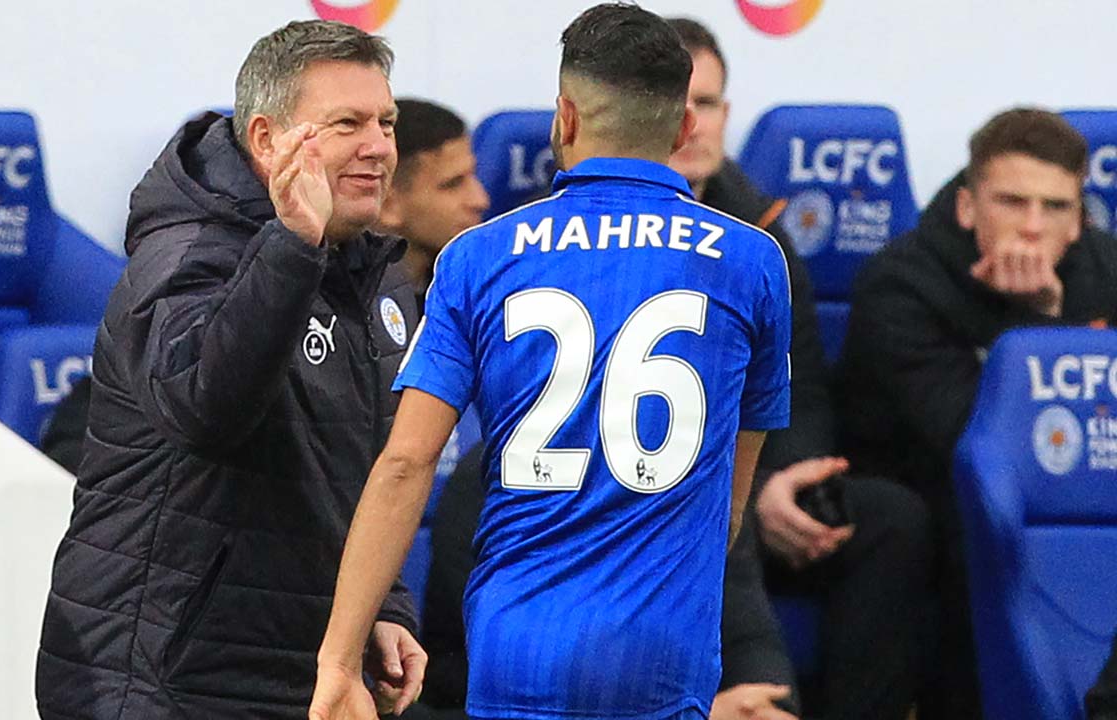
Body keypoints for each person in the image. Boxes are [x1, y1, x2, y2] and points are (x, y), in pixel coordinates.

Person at [310, 5, 793, 720]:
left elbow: (406, 464)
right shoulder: (754, 261)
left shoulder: (477, 257)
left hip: (518, 643)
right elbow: (727, 506)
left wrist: (339, 659)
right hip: (662, 652)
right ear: (683, 127)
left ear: (563, 118)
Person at [35, 20, 426, 720]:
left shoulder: (376, 274)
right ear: (267, 141)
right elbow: (204, 410)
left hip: (296, 671)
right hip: (157, 679)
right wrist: (294, 246)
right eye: (347, 124)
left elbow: (356, 470)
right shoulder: (185, 254)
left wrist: (382, 606)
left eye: (386, 123)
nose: (378, 146)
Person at [664, 17, 932, 720]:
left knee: (891, 519)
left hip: (754, 483)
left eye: (709, 103)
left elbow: (801, 386)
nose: (695, 124)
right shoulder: (587, 229)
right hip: (653, 491)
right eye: (676, 103)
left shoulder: (764, 233)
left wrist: (782, 483)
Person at [838, 107, 1117, 719]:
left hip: (1083, 499)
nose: (1032, 227)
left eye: (1055, 207)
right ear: (967, 207)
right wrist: (1038, 323)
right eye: (1012, 202)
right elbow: (978, 443)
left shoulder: (1107, 273)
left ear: (1078, 220)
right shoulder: (900, 283)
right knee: (980, 521)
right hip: (928, 500)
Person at [421, 441, 801, 720]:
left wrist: (764, 706)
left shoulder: (693, 475)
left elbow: (750, 637)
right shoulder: (496, 479)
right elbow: (529, 676)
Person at [376, 98, 491, 305]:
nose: (480, 200)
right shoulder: (335, 306)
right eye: (453, 184)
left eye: (473, 176)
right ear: (388, 205)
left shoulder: (477, 292)